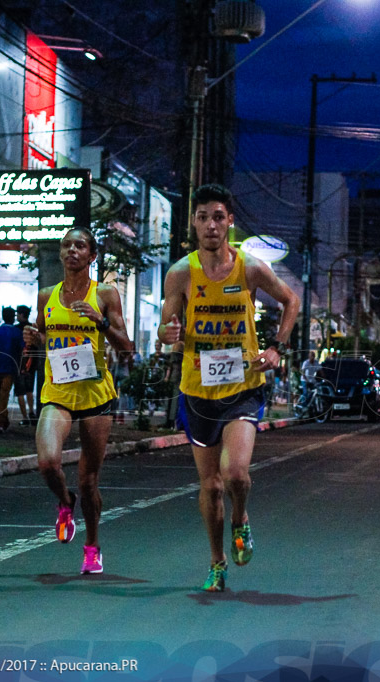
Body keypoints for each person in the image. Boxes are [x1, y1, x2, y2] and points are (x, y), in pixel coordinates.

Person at [158, 183, 300, 592]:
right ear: (194, 223)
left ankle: (240, 518)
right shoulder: (181, 272)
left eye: (218, 217)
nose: (211, 225)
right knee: (210, 485)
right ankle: (217, 561)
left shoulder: (251, 267)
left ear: (230, 222)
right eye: (203, 217)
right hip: (198, 391)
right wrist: (168, 334)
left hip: (242, 386)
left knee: (236, 475)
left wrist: (277, 348)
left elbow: (290, 300)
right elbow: (168, 326)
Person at [23, 227, 132, 575]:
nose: (72, 250)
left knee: (89, 481)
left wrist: (99, 322)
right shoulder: (45, 295)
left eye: (80, 245)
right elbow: (41, 333)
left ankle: (92, 547)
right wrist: (32, 336)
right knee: (47, 462)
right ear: (60, 253)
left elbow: (126, 348)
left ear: (92, 255)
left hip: (95, 395)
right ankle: (64, 502)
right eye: (66, 245)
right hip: (57, 393)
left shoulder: (106, 294)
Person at [0, 306, 24, 433]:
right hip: (11, 367)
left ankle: (1, 421)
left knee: (2, 395)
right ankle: (2, 422)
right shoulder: (17, 333)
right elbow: (22, 351)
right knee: (4, 394)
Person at [13, 305, 36, 425]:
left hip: (18, 363)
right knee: (29, 389)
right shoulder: (32, 328)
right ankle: (31, 411)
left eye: (18, 314)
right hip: (31, 364)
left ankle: (25, 417)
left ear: (22, 315)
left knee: (20, 391)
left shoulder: (16, 329)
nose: (16, 316)